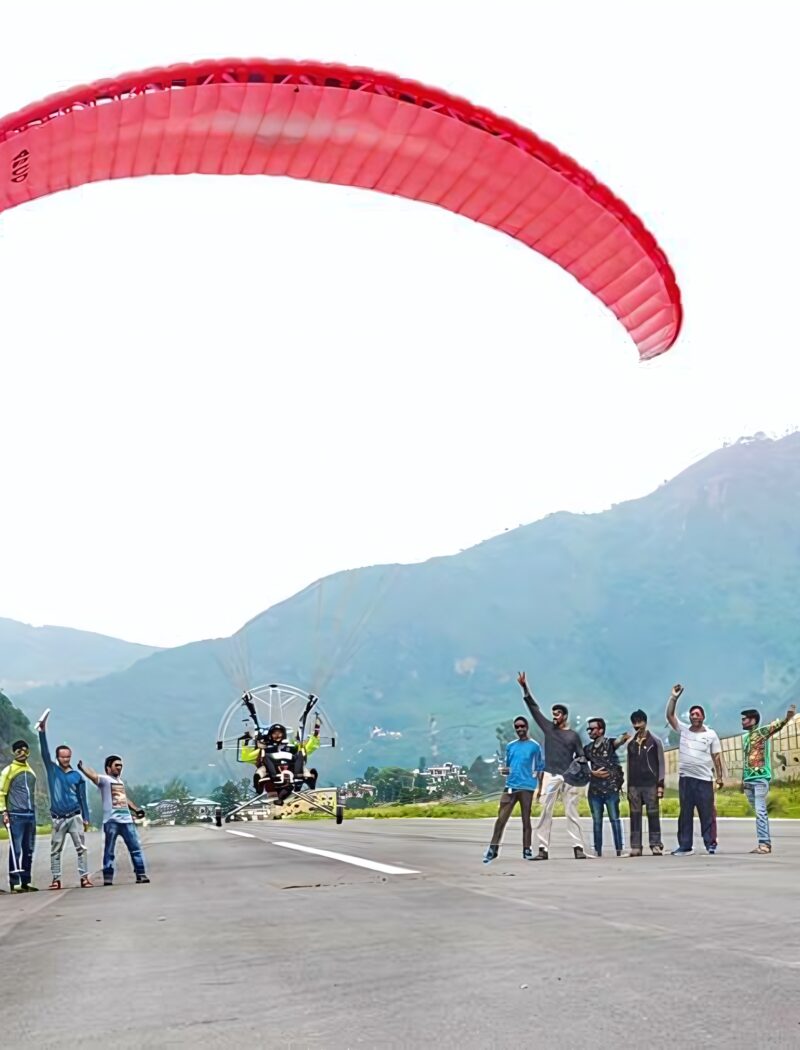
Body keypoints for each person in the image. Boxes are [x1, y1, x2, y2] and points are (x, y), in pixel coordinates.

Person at [517, 671, 589, 860]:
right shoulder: (548, 728)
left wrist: (581, 768)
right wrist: (525, 688)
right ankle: (542, 849)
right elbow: (534, 710)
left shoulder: (573, 736)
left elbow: (581, 755)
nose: (554, 716)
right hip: (550, 773)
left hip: (569, 776)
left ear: (564, 716)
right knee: (545, 811)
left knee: (572, 812)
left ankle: (578, 847)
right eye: (553, 714)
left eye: (557, 714)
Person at [665, 684, 724, 855]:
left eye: (697, 714)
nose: (694, 716)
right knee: (685, 813)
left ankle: (710, 843)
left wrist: (719, 777)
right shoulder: (683, 730)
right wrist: (674, 697)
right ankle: (685, 845)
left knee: (707, 813)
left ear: (703, 717)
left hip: (704, 779)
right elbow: (670, 715)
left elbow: (717, 757)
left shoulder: (710, 734)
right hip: (686, 779)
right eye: (692, 714)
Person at [36, 711, 92, 889]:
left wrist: (86, 817)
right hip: (58, 817)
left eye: (68, 756)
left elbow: (83, 798)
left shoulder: (77, 776)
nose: (66, 759)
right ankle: (56, 879)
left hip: (75, 816)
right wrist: (42, 732)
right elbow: (44, 753)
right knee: (55, 850)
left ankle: (84, 877)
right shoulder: (53, 771)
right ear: (58, 757)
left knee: (81, 848)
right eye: (62, 756)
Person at [78, 755, 149, 885]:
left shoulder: (119, 782)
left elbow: (124, 799)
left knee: (135, 848)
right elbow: (93, 776)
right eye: (116, 765)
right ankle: (108, 876)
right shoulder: (105, 780)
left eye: (120, 766)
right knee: (109, 851)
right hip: (112, 821)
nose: (119, 768)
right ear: (108, 768)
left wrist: (136, 809)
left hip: (126, 820)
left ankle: (141, 874)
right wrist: (83, 769)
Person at [483, 716, 544, 863]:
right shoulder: (510, 746)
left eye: (522, 726)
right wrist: (503, 772)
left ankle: (527, 848)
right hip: (511, 786)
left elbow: (539, 768)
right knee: (501, 818)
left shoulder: (534, 746)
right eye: (517, 727)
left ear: (527, 727)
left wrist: (540, 788)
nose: (520, 729)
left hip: (527, 787)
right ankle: (493, 847)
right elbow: (508, 767)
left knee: (526, 819)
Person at [740, 702, 796, 854]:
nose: (742, 721)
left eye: (745, 719)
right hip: (748, 781)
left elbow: (777, 726)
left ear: (753, 720)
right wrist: (742, 780)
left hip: (760, 780)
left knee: (760, 811)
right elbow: (745, 760)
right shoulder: (745, 738)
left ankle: (765, 844)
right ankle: (763, 842)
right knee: (758, 812)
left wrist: (787, 718)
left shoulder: (762, 732)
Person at [240, 721, 320, 802]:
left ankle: (309, 781)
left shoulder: (291, 747)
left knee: (300, 761)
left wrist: (315, 735)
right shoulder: (264, 749)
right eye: (274, 733)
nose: (277, 736)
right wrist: (247, 742)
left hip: (292, 782)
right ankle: (260, 788)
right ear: (270, 735)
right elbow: (246, 757)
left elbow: (307, 749)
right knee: (261, 771)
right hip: (271, 789)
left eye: (279, 733)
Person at [584, 718, 629, 857]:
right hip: (595, 790)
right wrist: (591, 772)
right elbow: (580, 764)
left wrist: (624, 737)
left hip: (610, 788)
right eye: (589, 729)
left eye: (593, 729)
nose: (590, 732)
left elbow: (619, 741)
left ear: (601, 730)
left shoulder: (609, 744)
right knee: (596, 821)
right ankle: (597, 850)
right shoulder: (588, 749)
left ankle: (619, 849)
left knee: (614, 819)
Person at [0, 739, 38, 892]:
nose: (22, 753)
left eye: (25, 750)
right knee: (16, 849)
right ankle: (14, 883)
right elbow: (1, 792)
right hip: (15, 815)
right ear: (13, 753)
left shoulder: (31, 771)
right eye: (19, 751)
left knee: (28, 849)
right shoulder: (8, 770)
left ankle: (26, 881)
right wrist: (4, 812)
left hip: (30, 814)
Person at [626, 709, 665, 856]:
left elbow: (661, 763)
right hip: (635, 785)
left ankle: (655, 844)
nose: (637, 725)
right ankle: (636, 846)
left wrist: (660, 785)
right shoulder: (630, 744)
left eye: (639, 722)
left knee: (653, 814)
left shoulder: (655, 741)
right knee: (635, 815)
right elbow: (629, 765)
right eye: (635, 722)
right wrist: (628, 786)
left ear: (645, 722)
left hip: (651, 784)